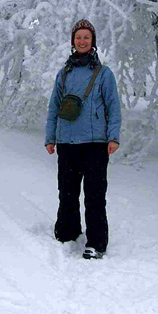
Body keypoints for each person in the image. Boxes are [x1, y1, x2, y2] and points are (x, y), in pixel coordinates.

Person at [45, 19, 121, 259]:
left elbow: (113, 107)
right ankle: (67, 232)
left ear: (93, 42)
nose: (82, 41)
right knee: (66, 191)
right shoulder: (64, 73)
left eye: (86, 37)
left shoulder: (103, 74)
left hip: (95, 144)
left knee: (94, 194)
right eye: (78, 37)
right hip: (67, 143)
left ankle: (96, 243)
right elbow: (54, 107)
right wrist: (50, 138)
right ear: (73, 41)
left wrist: (114, 137)